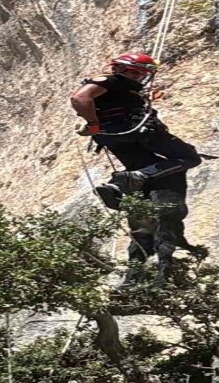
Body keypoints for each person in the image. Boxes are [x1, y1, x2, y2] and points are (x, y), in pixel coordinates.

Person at [70, 52, 207, 284]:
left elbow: (109, 101)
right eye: (140, 73)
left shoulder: (121, 88)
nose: (142, 77)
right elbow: (80, 98)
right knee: (189, 157)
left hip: (115, 138)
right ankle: (136, 177)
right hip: (136, 132)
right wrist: (93, 123)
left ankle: (121, 185)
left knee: (147, 175)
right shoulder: (110, 80)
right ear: (128, 70)